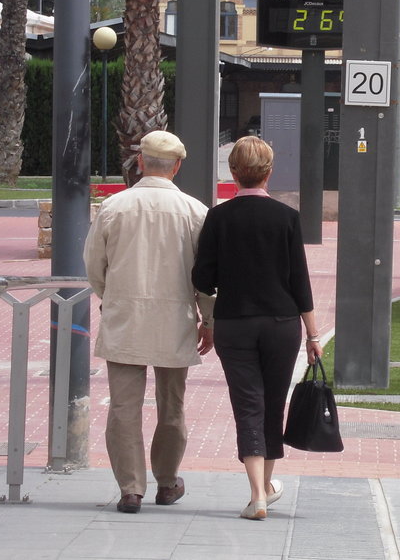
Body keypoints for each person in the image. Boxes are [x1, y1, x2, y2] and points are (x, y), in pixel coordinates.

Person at [191, 136, 322, 521]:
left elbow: (203, 277)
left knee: (247, 404)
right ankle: (265, 485)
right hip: (282, 324)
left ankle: (258, 495)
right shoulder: (287, 218)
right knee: (272, 404)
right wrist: (314, 336)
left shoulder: (219, 217)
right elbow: (301, 280)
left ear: (232, 172)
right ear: (269, 172)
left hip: (234, 324)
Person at [83, 130, 214, 515]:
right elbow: (206, 276)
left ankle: (130, 488)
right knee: (171, 406)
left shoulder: (114, 207)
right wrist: (208, 318)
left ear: (140, 162)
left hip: (125, 316)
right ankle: (168, 480)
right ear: (177, 165)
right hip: (175, 319)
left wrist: (111, 296)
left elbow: (94, 264)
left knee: (124, 407)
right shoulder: (195, 211)